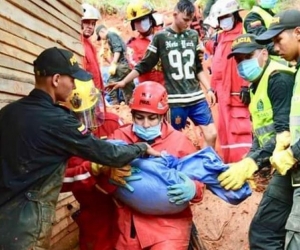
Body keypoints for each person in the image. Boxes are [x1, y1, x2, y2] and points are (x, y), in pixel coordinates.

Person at [0, 47, 160, 250]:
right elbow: (108, 154)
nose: (74, 85)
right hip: (26, 223)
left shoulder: (8, 112)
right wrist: (140, 148)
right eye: (72, 79)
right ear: (56, 79)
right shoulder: (58, 121)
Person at [217, 32, 295, 249]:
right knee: (266, 232)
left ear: (263, 53)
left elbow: (286, 134)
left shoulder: (278, 79)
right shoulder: (256, 85)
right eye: (239, 61)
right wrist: (249, 162)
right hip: (284, 167)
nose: (242, 64)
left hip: (293, 162)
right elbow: (262, 135)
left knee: (268, 234)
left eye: (247, 57)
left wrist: (251, 163)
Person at [106, 81, 205, 249]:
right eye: (139, 117)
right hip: (128, 222)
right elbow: (96, 171)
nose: (145, 124)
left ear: (163, 116)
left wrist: (193, 188)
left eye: (152, 118)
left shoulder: (179, 142)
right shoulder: (119, 137)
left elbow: (201, 185)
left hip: (169, 226)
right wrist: (107, 172)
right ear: (132, 114)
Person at [108, 0, 217, 148]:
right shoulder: (159, 38)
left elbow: (198, 67)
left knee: (212, 134)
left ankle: (204, 165)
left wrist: (209, 89)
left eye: (190, 20)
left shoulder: (192, 36)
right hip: (170, 99)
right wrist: (124, 82)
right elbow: (144, 65)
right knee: (171, 139)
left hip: (195, 96)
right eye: (185, 19)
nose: (188, 23)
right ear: (175, 14)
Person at [256, 9, 300, 250]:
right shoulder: (297, 71)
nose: (275, 48)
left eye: (278, 40)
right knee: (264, 232)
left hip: (295, 162)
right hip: (293, 170)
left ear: (298, 33)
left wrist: (294, 152)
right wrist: (285, 135)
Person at [210, 0, 253, 163]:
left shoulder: (244, 34)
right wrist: (212, 88)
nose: (223, 21)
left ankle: (246, 165)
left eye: (226, 17)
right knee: (225, 131)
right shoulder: (221, 37)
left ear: (234, 15)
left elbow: (250, 61)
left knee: (240, 130)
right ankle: (229, 165)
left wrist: (246, 85)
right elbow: (217, 65)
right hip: (222, 93)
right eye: (221, 18)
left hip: (238, 91)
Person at [81, 3, 123, 137]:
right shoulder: (77, 44)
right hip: (84, 101)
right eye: (86, 22)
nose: (90, 26)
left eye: (93, 23)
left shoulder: (90, 45)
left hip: (96, 98)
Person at [126, 0, 165, 85]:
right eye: (137, 21)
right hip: (148, 89)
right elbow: (135, 65)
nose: (140, 23)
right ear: (133, 25)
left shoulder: (164, 35)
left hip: (169, 86)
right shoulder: (132, 45)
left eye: (143, 19)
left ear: (151, 19)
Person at [96, 24, 135, 105]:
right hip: (125, 65)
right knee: (127, 86)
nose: (102, 39)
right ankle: (130, 103)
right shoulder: (113, 36)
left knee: (110, 83)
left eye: (100, 36)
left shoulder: (111, 35)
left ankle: (115, 103)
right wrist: (108, 60)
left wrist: (114, 63)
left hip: (121, 65)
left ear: (102, 32)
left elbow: (117, 50)